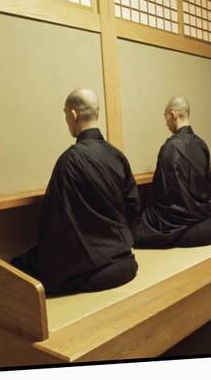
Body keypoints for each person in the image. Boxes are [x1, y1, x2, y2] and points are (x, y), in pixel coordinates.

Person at [11, 88, 141, 295]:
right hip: (125, 260)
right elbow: (134, 207)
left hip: (93, 266)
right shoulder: (117, 156)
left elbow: (53, 224)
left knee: (19, 265)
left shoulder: (68, 161)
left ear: (73, 115)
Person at [135, 96, 211, 248]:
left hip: (178, 217)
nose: (166, 123)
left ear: (173, 115)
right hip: (202, 212)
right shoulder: (202, 144)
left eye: (166, 118)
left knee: (138, 228)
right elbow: (207, 184)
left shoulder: (170, 147)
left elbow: (161, 192)